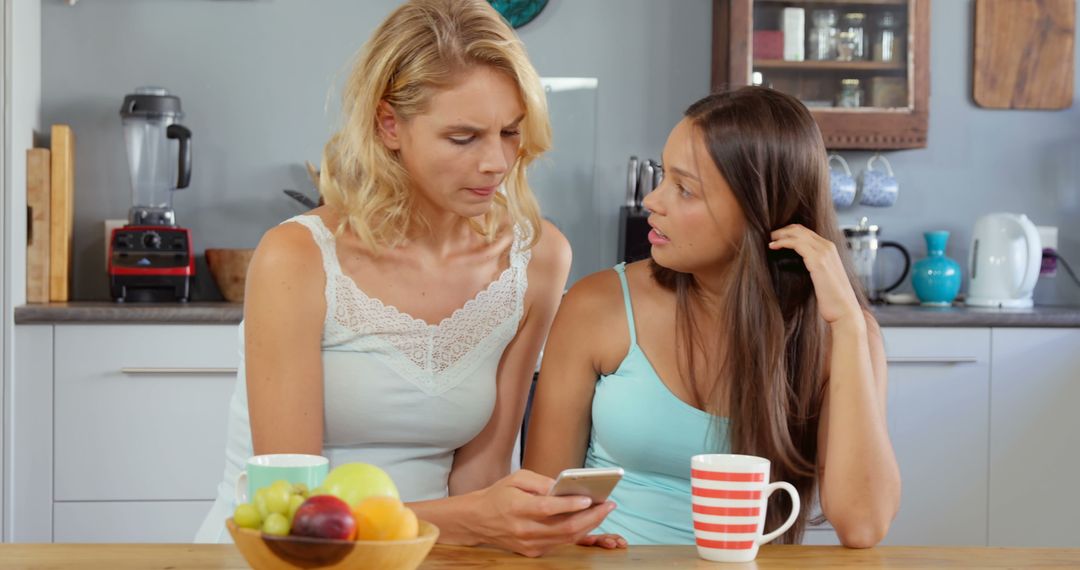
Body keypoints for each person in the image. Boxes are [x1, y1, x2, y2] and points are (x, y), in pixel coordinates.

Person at [196, 0, 621, 556]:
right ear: (389, 125)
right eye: (464, 138)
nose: (496, 162)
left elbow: (483, 473)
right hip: (282, 558)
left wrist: (533, 530)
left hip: (435, 554)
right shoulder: (296, 256)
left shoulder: (538, 257)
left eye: (511, 132)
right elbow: (292, 514)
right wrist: (474, 521)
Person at [523, 86, 901, 547]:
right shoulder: (597, 306)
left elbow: (862, 526)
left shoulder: (842, 336)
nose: (652, 201)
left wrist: (846, 325)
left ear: (760, 211)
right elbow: (539, 508)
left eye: (685, 189)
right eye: (664, 177)